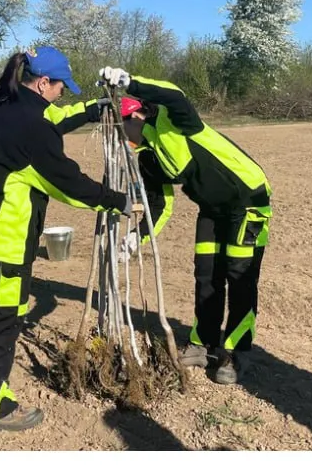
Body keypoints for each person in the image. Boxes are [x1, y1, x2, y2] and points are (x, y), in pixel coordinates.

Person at [0, 45, 132, 433]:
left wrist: (92, 109)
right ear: (43, 82)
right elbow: (68, 183)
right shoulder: (32, 129)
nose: (64, 91)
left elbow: (51, 120)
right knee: (1, 322)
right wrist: (118, 201)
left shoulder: (0, 104)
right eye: (61, 85)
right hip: (5, 244)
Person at [100, 67, 271, 385]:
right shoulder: (146, 158)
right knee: (206, 275)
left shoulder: (173, 120)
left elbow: (173, 94)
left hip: (246, 199)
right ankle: (203, 343)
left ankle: (236, 353)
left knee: (239, 276)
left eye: (118, 128)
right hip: (212, 208)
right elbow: (159, 207)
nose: (117, 138)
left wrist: (131, 83)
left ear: (135, 116)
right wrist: (137, 239)